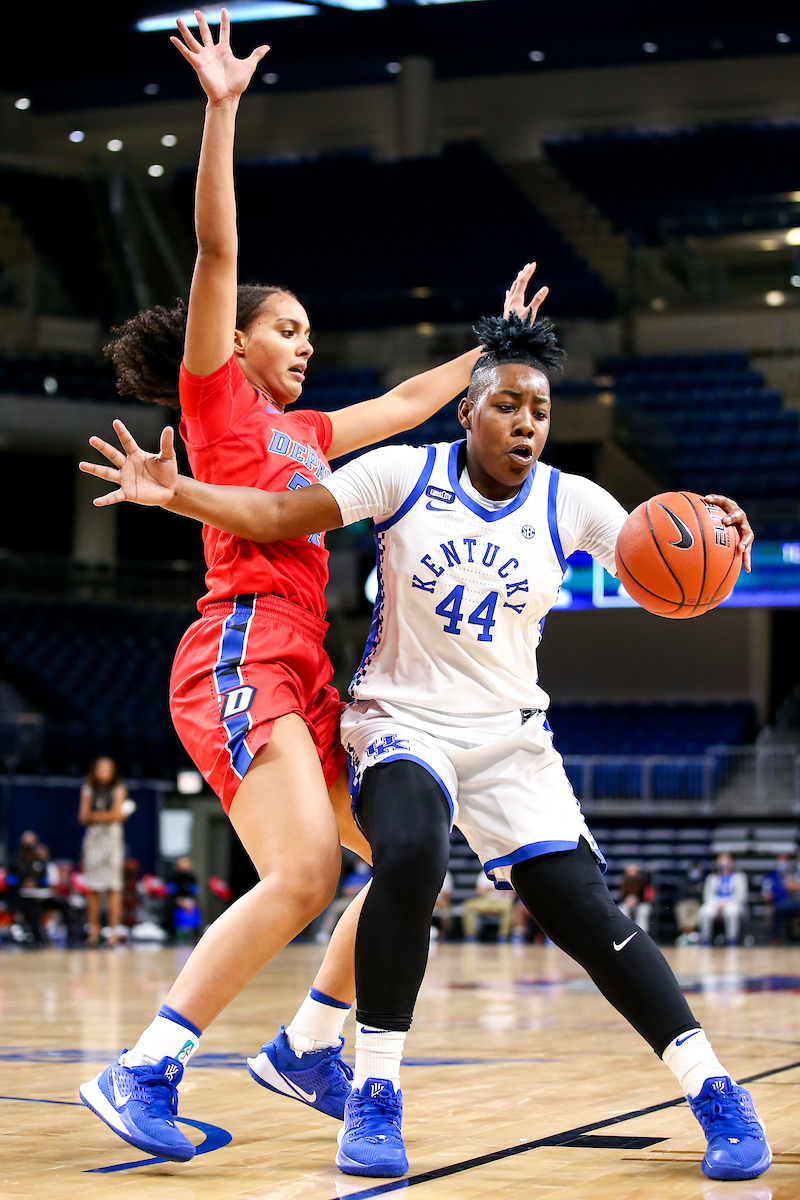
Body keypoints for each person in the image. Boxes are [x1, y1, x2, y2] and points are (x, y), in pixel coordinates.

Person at [82, 311, 768, 1184]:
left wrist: (717, 538)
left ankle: (711, 1089)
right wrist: (173, 493)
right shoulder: (403, 474)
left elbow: (653, 558)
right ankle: (373, 1095)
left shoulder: (573, 502)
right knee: (407, 853)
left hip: (511, 742)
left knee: (589, 917)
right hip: (399, 721)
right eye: (509, 403)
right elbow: (277, 510)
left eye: (542, 410)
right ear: (468, 411)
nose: (527, 422)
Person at [77, 9, 545, 1164]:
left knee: (404, 863)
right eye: (282, 331)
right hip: (240, 648)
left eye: (305, 333)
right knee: (299, 871)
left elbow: (395, 410)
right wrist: (221, 110)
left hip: (303, 658)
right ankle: (147, 1067)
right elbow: (218, 259)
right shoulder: (217, 403)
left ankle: (305, 1044)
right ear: (229, 346)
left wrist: (489, 354)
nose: (299, 344)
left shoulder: (304, 433)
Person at [78, 757, 129, 947]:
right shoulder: (88, 789)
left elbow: (117, 815)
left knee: (114, 886)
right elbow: (83, 816)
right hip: (94, 839)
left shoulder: (119, 789)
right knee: (93, 886)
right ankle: (94, 929)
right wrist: (107, 816)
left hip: (112, 839)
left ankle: (113, 931)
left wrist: (97, 816)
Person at [698, 853, 749, 946]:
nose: (724, 865)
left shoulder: (739, 877)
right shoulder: (712, 878)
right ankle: (705, 940)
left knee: (732, 913)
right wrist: (718, 903)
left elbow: (741, 896)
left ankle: (732, 940)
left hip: (732, 902)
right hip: (715, 902)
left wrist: (726, 902)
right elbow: (707, 895)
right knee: (704, 912)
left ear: (731, 863)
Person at [461, 871, 516, 941]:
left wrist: (489, 889)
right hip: (485, 901)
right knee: (468, 905)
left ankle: (503, 936)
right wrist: (498, 889)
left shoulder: (504, 872)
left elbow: (510, 892)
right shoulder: (484, 873)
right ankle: (470, 935)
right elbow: (480, 891)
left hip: (501, 901)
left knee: (509, 907)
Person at [762, 853, 800, 943]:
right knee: (777, 910)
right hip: (791, 902)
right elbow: (789, 885)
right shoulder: (791, 870)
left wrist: (796, 886)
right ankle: (775, 939)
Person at [618, 862, 652, 934]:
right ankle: (625, 932)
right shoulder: (624, 882)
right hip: (627, 903)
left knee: (643, 910)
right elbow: (622, 896)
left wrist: (637, 900)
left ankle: (642, 933)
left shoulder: (643, 881)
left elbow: (647, 896)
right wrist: (628, 901)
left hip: (641, 903)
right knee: (622, 909)